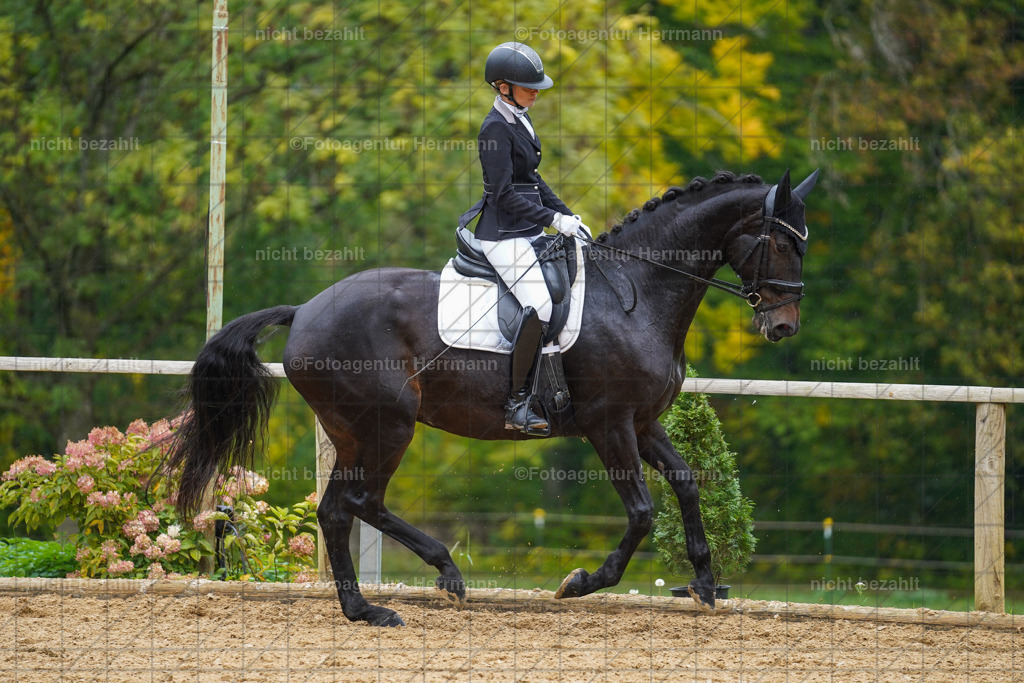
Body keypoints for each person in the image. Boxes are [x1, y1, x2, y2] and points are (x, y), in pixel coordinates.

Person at [458, 42, 585, 436]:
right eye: (526, 86)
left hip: (527, 231)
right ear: (502, 86)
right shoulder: (494, 128)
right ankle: (517, 403)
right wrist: (551, 219)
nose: (535, 92)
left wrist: (566, 216)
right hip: (503, 237)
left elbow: (533, 181)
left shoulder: (519, 119)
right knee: (540, 306)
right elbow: (503, 194)